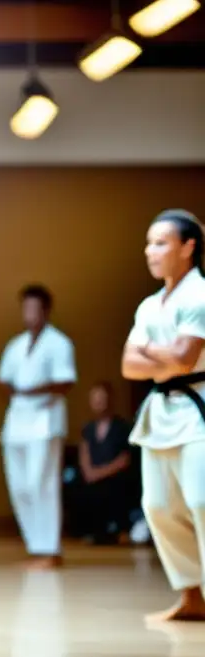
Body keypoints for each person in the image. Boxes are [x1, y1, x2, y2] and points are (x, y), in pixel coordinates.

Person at [121, 209, 205, 623]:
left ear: (189, 247)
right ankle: (192, 595)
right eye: (148, 243)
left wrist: (154, 355)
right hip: (161, 410)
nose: (150, 251)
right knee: (156, 505)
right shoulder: (149, 306)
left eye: (160, 243)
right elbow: (127, 365)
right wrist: (164, 356)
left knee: (203, 501)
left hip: (197, 408)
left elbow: (187, 359)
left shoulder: (200, 295)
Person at [0, 285, 76, 569]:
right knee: (19, 486)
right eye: (25, 308)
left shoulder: (59, 343)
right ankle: (35, 547)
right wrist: (18, 392)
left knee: (41, 483)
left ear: (45, 310)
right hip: (17, 421)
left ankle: (50, 549)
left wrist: (31, 391)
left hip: (45, 421)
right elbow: (3, 379)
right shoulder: (15, 345)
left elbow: (65, 382)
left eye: (35, 308)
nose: (29, 313)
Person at [77, 382, 134, 543]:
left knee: (117, 488)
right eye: (95, 399)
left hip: (115, 480)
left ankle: (120, 529)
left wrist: (100, 473)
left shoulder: (122, 427)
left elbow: (124, 461)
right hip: (93, 480)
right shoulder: (87, 429)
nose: (98, 403)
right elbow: (84, 457)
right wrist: (91, 474)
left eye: (102, 398)